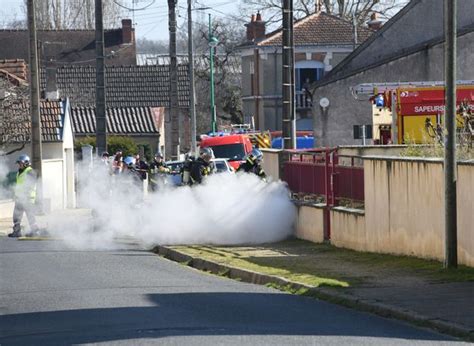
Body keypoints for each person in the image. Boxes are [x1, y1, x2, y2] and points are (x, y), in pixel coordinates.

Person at [8, 154, 40, 238]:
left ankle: (35, 231)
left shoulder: (30, 171)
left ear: (26, 163)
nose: (19, 165)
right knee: (16, 216)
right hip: (20, 199)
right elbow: (19, 185)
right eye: (19, 163)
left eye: (20, 163)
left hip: (28, 199)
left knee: (30, 216)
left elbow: (31, 185)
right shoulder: (19, 172)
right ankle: (17, 231)